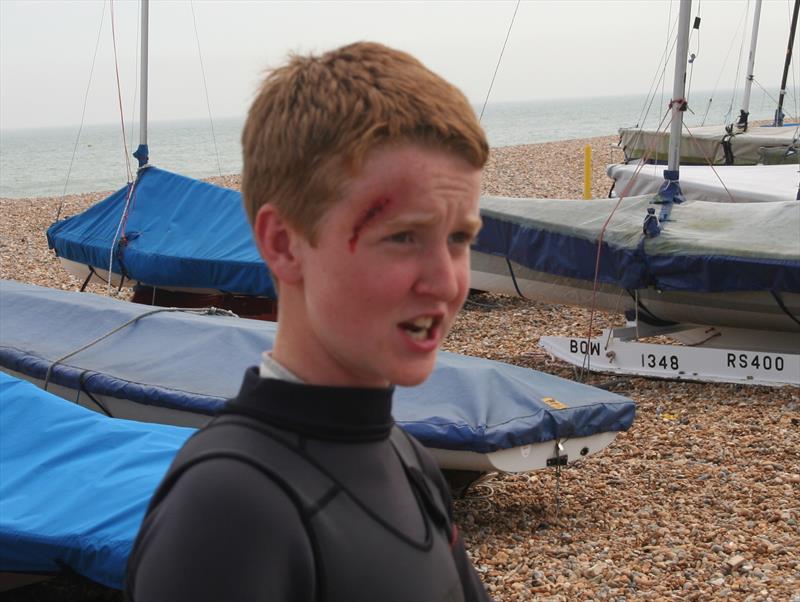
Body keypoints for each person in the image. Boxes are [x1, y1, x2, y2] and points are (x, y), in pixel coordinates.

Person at [125, 41, 492, 602]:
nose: (446, 282)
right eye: (402, 237)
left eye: (460, 238)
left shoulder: (407, 459)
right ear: (283, 244)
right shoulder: (230, 510)